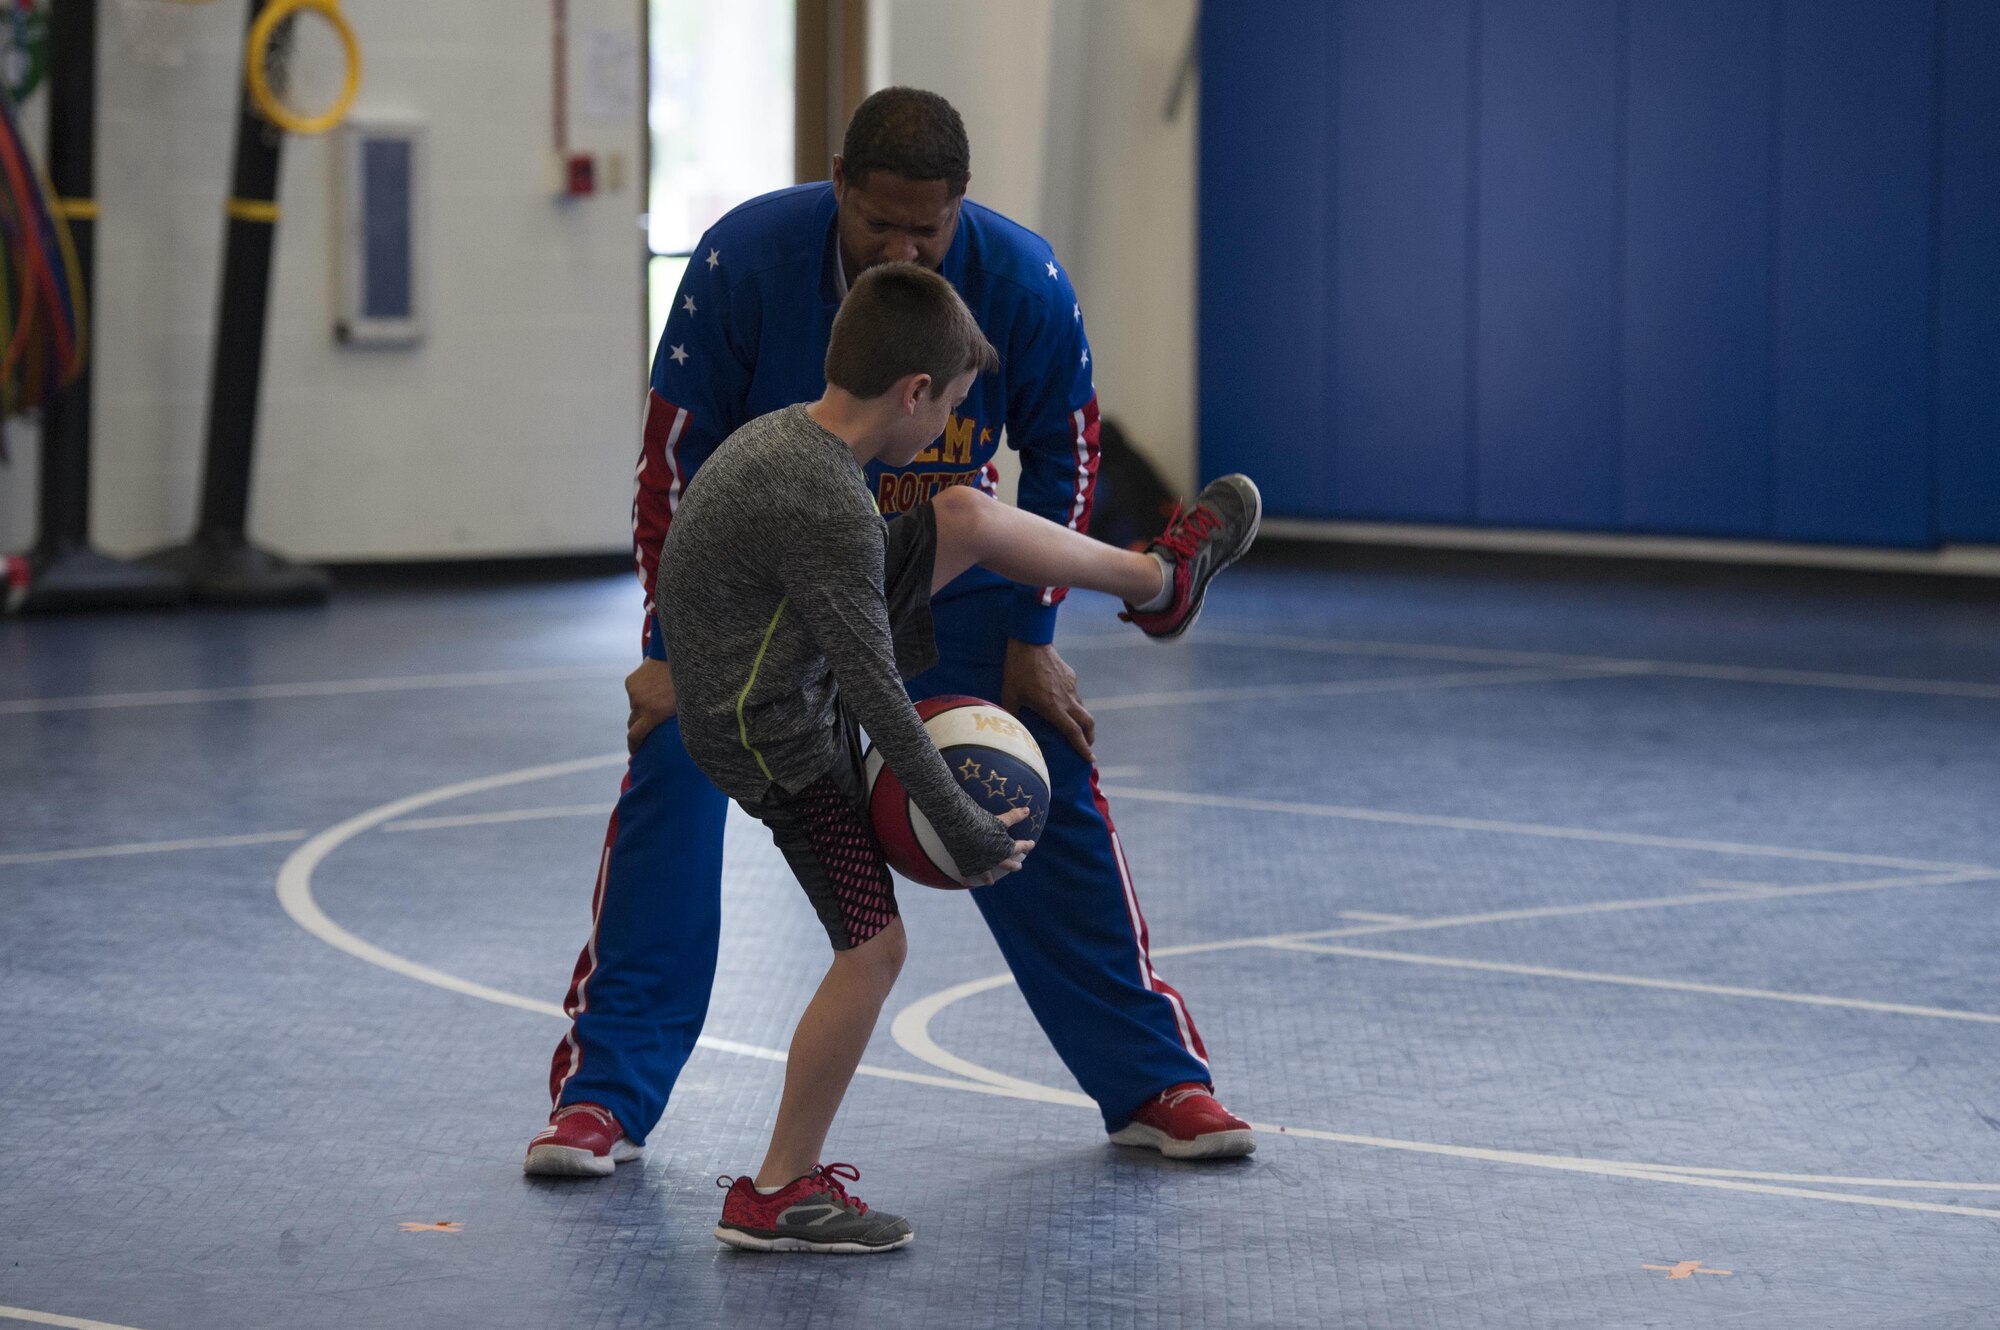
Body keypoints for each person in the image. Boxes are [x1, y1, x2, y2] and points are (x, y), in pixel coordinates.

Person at [527, 87, 1255, 1180]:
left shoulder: (1019, 280)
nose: (902, 248)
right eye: (879, 224)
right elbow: (669, 472)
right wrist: (666, 650)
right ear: (837, 187)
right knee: (672, 768)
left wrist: (1027, 633)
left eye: (929, 227)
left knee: (1042, 761)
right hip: (773, 597)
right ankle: (603, 1099)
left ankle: (1152, 1078)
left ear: (963, 205)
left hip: (940, 584)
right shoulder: (742, 266)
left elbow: (1064, 454)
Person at [670, 263, 1260, 1252]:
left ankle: (1156, 581)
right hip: (770, 733)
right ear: (912, 394)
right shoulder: (829, 508)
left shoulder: (791, 441)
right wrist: (961, 822)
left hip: (766, 659)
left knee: (960, 514)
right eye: (946, 406)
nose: (944, 424)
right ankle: (775, 1188)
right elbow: (873, 695)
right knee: (873, 948)